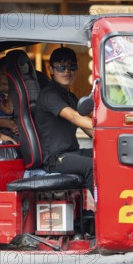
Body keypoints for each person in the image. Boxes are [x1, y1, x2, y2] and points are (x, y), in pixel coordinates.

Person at [34, 47, 94, 192]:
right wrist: (107, 127)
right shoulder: (49, 95)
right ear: (51, 70)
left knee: (109, 155)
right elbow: (74, 117)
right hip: (55, 158)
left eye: (71, 67)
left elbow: (89, 129)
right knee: (92, 165)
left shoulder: (70, 97)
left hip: (71, 152)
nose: (67, 71)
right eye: (61, 67)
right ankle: (104, 211)